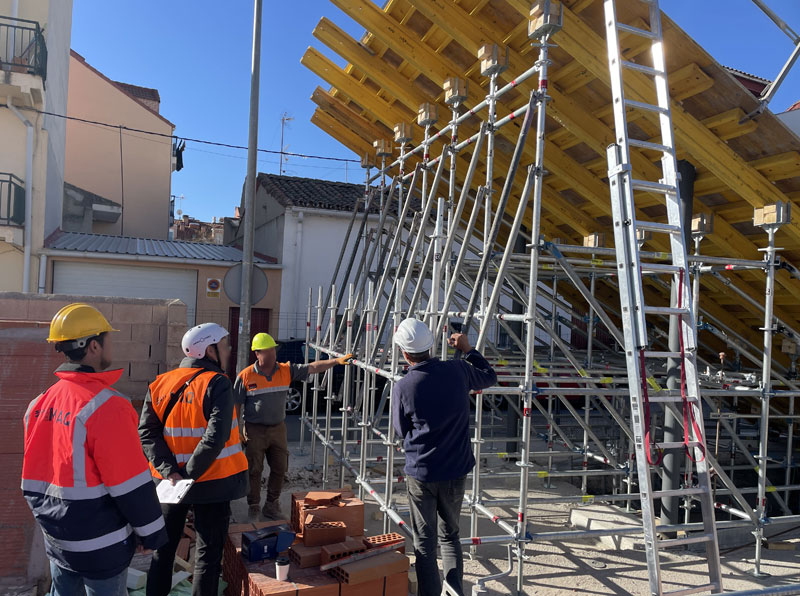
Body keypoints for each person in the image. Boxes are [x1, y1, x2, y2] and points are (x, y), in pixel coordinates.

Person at [21, 303, 167, 596]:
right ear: (93, 346)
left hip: (58, 540)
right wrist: (151, 533)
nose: (112, 345)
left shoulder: (39, 403)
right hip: (100, 545)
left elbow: (37, 479)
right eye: (108, 339)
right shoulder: (108, 406)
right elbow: (130, 484)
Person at [139, 323, 248, 596]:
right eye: (224, 345)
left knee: (162, 553)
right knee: (208, 557)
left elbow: (147, 432)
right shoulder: (218, 383)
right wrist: (187, 474)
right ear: (209, 350)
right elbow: (216, 436)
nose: (229, 350)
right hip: (212, 482)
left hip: (169, 483)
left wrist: (170, 473)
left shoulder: (159, 384)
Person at [391, 318, 496, 596]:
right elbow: (489, 375)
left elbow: (401, 430)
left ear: (404, 352)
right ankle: (454, 592)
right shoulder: (459, 369)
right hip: (455, 469)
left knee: (425, 544)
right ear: (431, 345)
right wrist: (469, 349)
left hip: (422, 472)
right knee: (450, 536)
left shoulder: (404, 386)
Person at [233, 332, 353, 520]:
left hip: (278, 429)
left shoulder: (285, 370)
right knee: (254, 470)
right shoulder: (245, 376)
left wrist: (336, 362)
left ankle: (271, 505)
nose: (272, 354)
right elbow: (236, 405)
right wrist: (236, 430)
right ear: (257, 353)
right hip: (254, 430)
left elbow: (312, 367)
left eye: (273, 350)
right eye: (268, 351)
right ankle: (254, 506)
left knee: (280, 468)